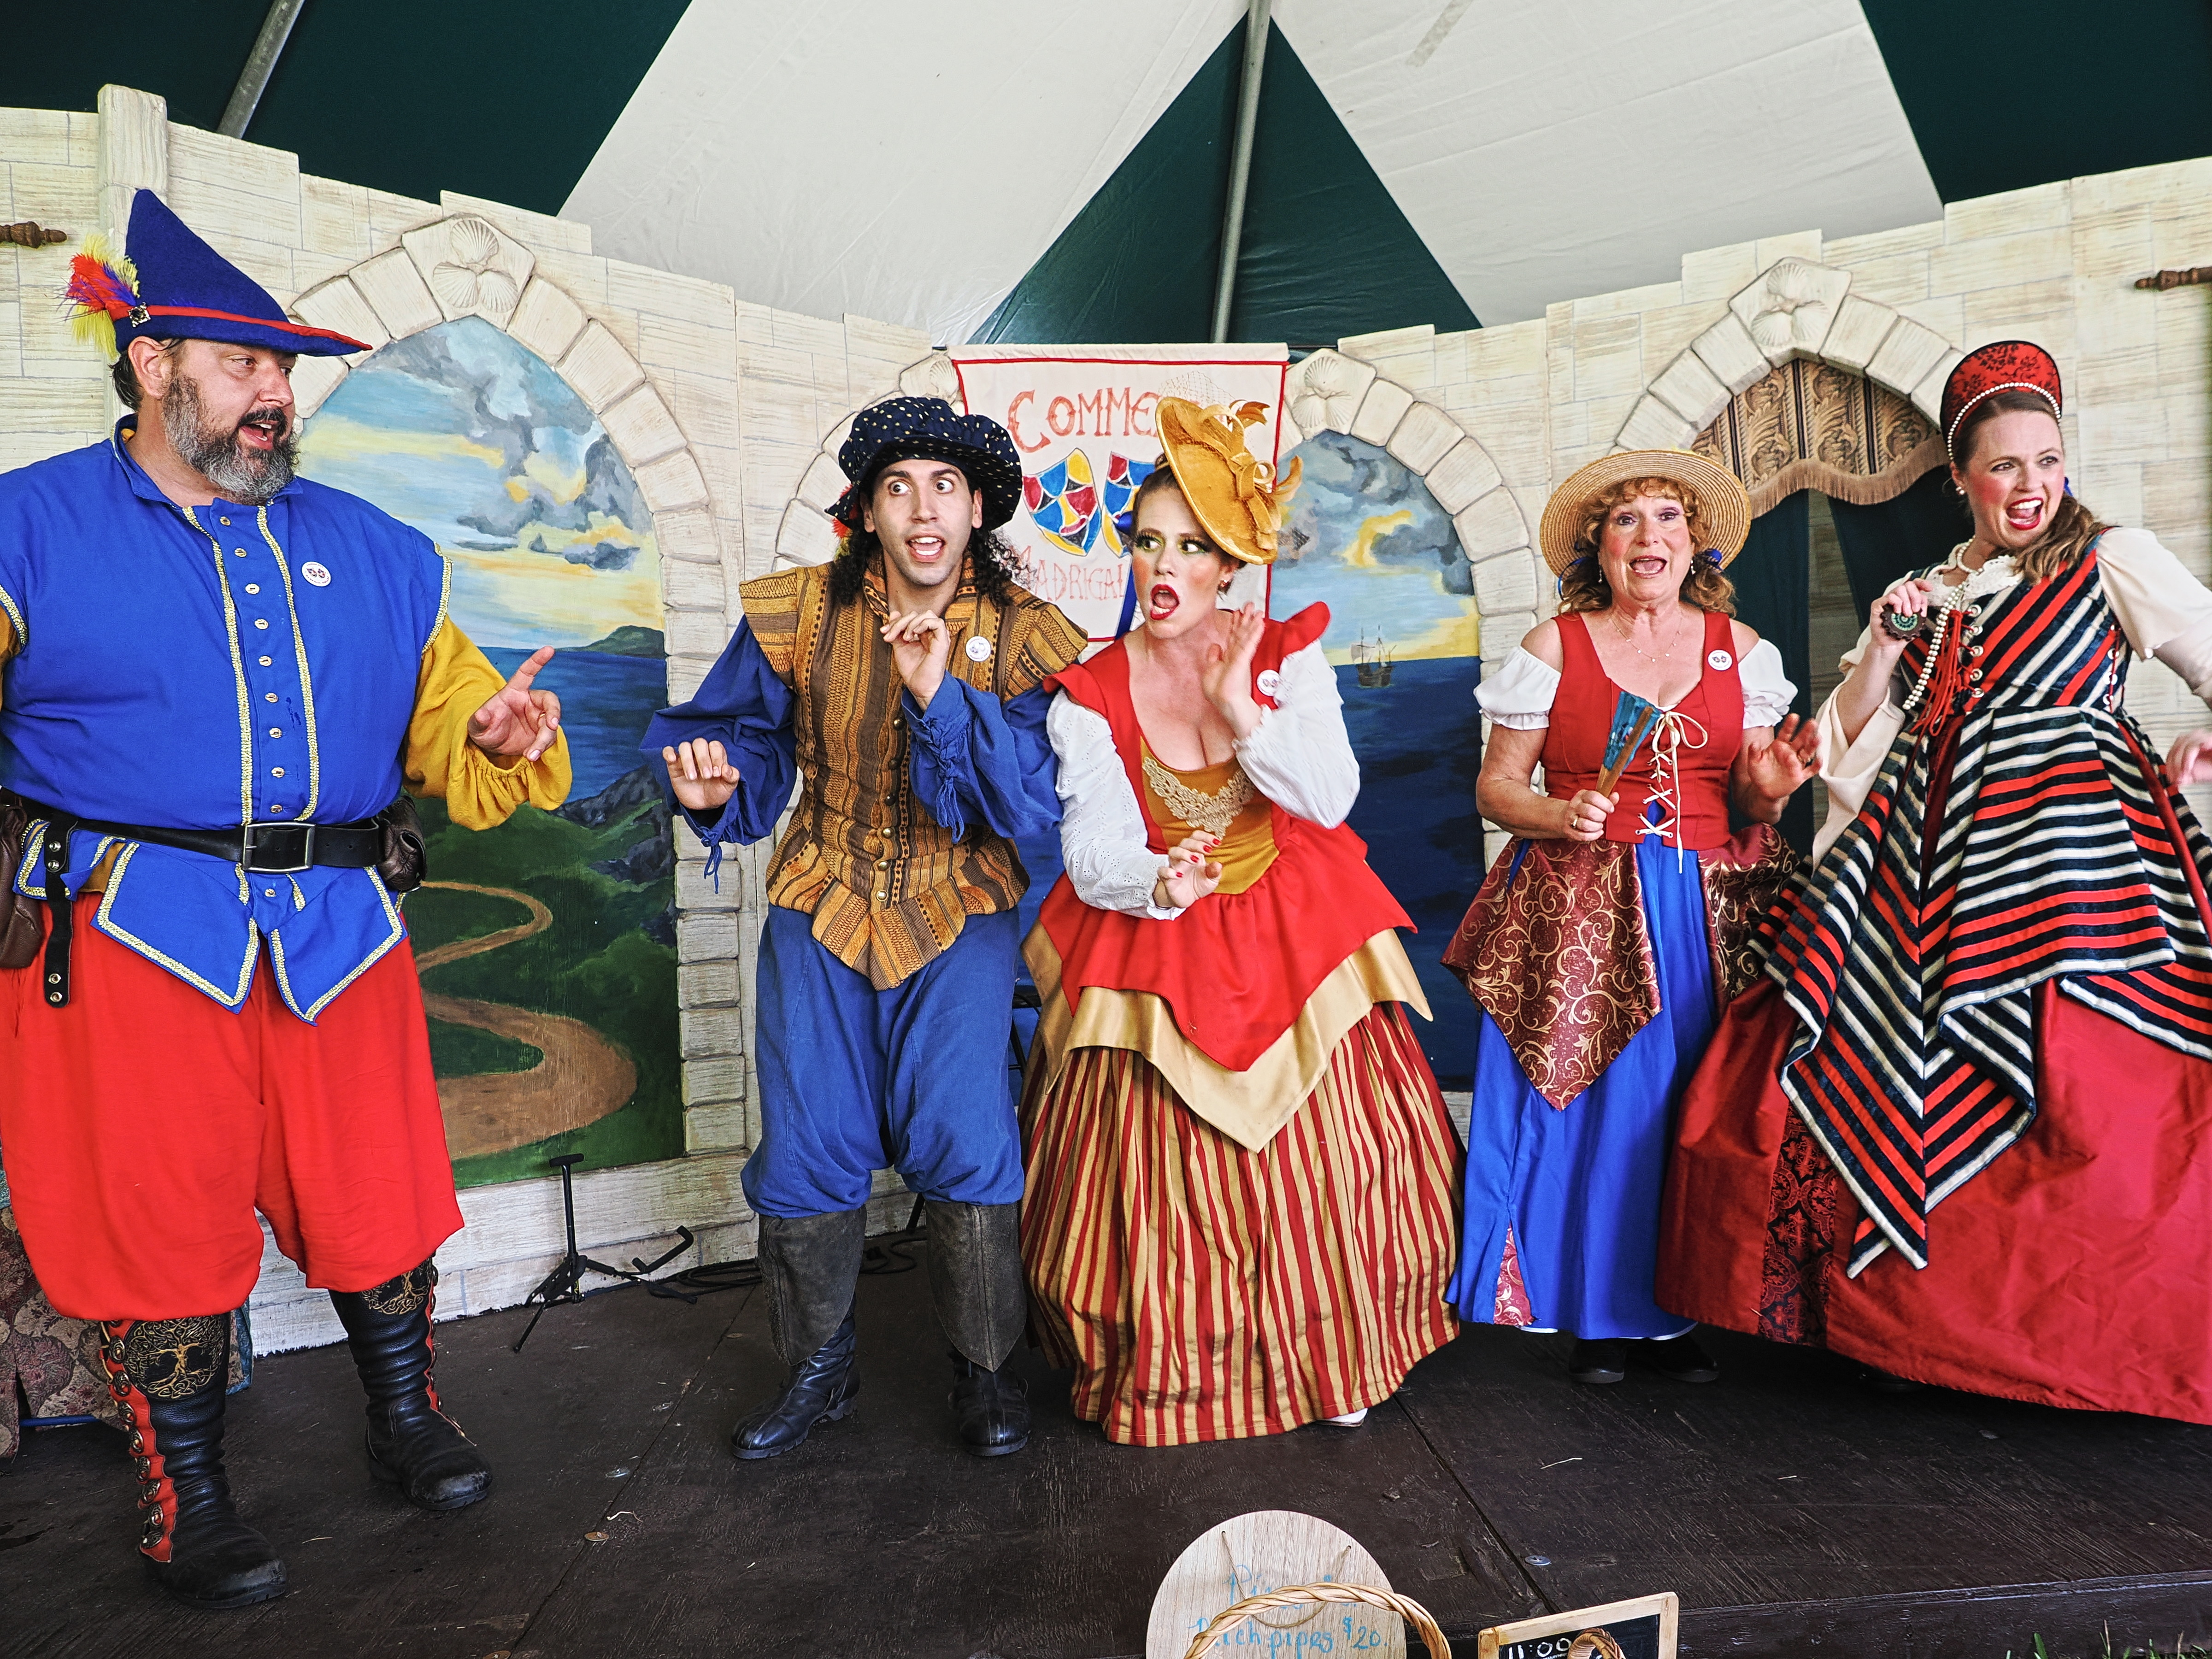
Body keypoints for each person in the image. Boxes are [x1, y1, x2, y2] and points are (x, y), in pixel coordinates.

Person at [0, 191, 571, 1609]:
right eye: (243, 365)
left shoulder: (379, 550)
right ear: (152, 364)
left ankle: (406, 1419)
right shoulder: (27, 529)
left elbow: (454, 726)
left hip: (340, 933)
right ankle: (190, 1496)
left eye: (285, 370)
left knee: (380, 1192)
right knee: (160, 1218)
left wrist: (501, 737)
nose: (275, 395)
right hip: (128, 934)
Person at [1658, 341, 2212, 1424]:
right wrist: (1870, 660)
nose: (2030, 486)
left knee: (2085, 1070)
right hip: (1925, 853)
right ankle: (1917, 1331)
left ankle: (2086, 1336)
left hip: (2077, 853)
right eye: (2004, 466)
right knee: (1875, 1051)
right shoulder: (1930, 595)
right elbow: (1845, 742)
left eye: (2047, 461)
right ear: (1961, 477)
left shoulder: (2114, 560)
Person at [1018, 397, 1462, 1446]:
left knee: (1337, 1166)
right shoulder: (1088, 696)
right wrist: (1157, 882)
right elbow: (1092, 847)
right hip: (1160, 927)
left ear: (1229, 566)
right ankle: (1181, 1373)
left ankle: (1340, 1354)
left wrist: (1240, 708)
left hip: (1291, 920)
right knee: (1153, 1190)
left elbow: (1329, 799)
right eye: (1148, 541)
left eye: (1192, 546)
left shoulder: (1283, 656)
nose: (1164, 564)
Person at [650, 396, 1084, 1461]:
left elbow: (1029, 799)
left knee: (967, 1137)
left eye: (945, 487)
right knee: (808, 1140)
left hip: (959, 906)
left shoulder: (1028, 635)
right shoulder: (800, 611)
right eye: (899, 488)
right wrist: (717, 786)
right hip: (822, 899)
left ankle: (985, 1370)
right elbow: (742, 739)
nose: (923, 509)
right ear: (868, 512)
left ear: (977, 509)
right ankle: (818, 1370)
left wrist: (939, 692)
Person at [1441, 451, 1818, 1387]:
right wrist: (1554, 813)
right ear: (1598, 549)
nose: (1649, 536)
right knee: (1604, 1115)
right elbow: (1496, 787)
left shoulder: (1744, 652)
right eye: (1625, 520)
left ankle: (1682, 1309)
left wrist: (1771, 792)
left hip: (1712, 914)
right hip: (1584, 912)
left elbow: (1752, 802)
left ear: (1696, 544)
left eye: (1667, 518)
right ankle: (1599, 1315)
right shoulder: (1553, 649)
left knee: (1694, 1108)